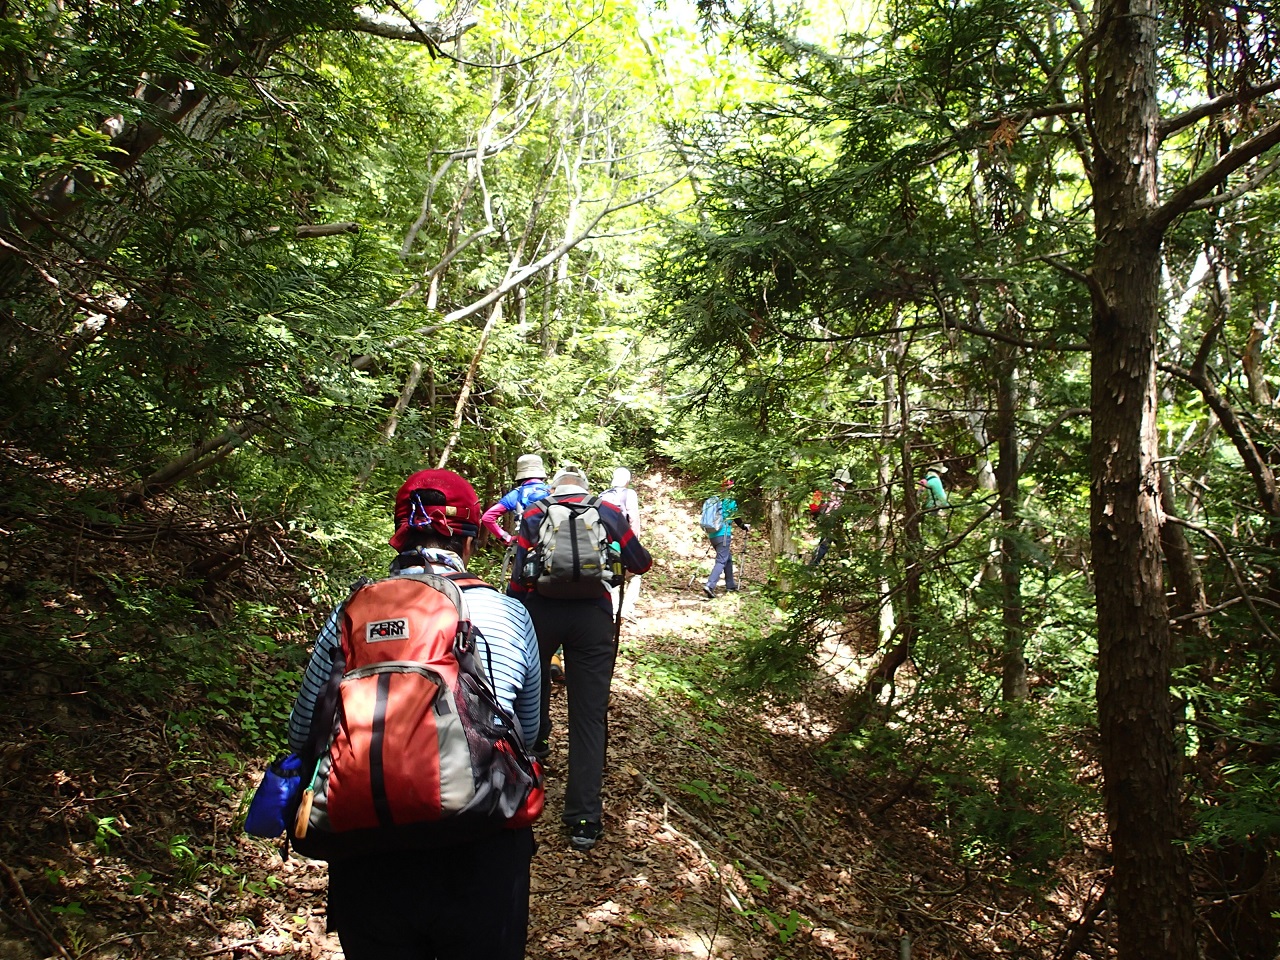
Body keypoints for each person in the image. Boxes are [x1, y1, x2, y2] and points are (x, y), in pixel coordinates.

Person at [288, 469, 542, 960]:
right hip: (481, 844)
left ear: (400, 533)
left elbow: (304, 731)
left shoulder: (352, 610)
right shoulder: (506, 613)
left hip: (367, 845)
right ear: (469, 540)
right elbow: (524, 732)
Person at [507, 465, 652, 851]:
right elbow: (642, 562)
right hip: (593, 618)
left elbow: (520, 577)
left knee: (529, 701)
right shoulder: (606, 511)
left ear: (555, 488)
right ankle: (583, 819)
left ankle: (523, 788)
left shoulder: (536, 512)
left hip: (541, 613)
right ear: (585, 490)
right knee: (588, 716)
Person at [600, 467, 643, 620]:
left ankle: (613, 608)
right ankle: (627, 609)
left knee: (612, 573)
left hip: (605, 544)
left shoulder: (602, 496)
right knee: (634, 575)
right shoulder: (629, 494)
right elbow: (633, 519)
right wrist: (634, 543)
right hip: (624, 541)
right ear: (627, 480)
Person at [481, 453, 550, 547]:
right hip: (551, 544)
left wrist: (506, 538)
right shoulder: (552, 491)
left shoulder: (516, 494)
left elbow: (487, 517)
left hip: (526, 544)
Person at [702, 478, 749, 599]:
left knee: (727, 558)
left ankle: (730, 585)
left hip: (713, 534)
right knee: (721, 560)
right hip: (724, 534)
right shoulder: (730, 501)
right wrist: (744, 527)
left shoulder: (714, 499)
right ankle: (710, 585)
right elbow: (736, 518)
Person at [809, 467, 851, 566]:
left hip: (823, 518)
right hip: (832, 520)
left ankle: (847, 564)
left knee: (840, 541)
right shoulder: (840, 490)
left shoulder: (826, 487)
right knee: (824, 544)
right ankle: (811, 567)